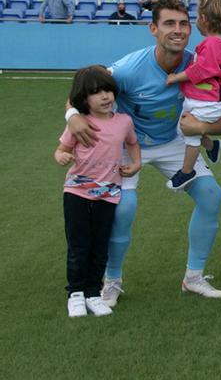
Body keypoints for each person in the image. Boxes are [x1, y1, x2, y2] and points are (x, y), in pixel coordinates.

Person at [64, 0, 221, 306]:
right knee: (123, 209)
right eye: (169, 23)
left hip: (175, 142)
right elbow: (81, 94)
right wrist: (72, 117)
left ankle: (193, 277)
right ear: (152, 28)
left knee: (212, 196)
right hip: (131, 145)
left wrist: (203, 130)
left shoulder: (202, 62)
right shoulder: (128, 69)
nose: (178, 30)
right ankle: (111, 281)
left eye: (183, 23)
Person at [55, 66, 141, 318]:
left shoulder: (124, 122)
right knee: (79, 245)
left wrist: (135, 164)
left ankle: (94, 293)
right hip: (77, 193)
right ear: (83, 98)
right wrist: (62, 155)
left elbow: (133, 143)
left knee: (100, 245)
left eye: (107, 90)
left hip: (108, 195)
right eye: (96, 92)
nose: (104, 96)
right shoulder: (79, 124)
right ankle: (76, 295)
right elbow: (60, 149)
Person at [165, 0, 221, 190]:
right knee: (183, 128)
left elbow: (203, 69)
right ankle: (213, 147)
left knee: (191, 134)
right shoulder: (215, 42)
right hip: (202, 98)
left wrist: (175, 78)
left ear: (204, 19)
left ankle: (187, 172)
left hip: (208, 101)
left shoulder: (213, 43)